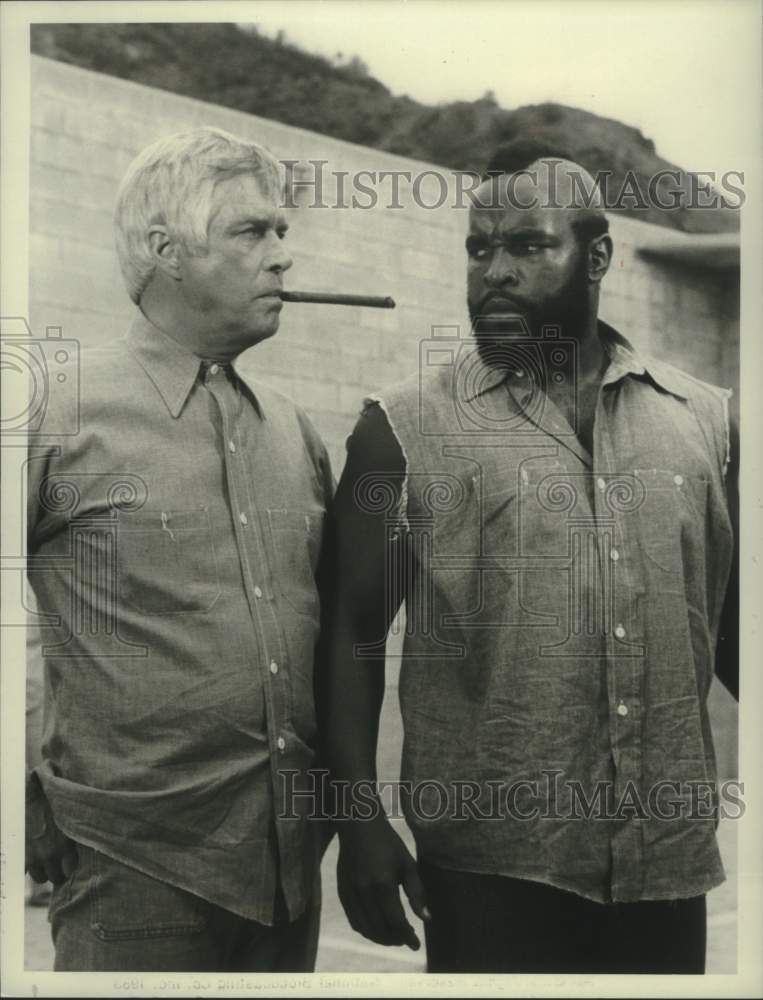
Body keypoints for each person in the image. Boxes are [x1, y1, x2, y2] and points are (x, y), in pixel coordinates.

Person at [325, 142, 739, 974]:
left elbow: (735, 629)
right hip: (489, 870)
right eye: (479, 250)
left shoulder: (706, 423)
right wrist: (357, 819)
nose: (494, 273)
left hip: (664, 862)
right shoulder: (402, 430)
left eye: (527, 246)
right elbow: (347, 631)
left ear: (596, 257)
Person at [25, 126, 334, 972]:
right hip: (133, 869)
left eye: (282, 233)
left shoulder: (293, 430)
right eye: (251, 232)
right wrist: (23, 782)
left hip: (285, 872)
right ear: (165, 250)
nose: (282, 258)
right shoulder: (56, 412)